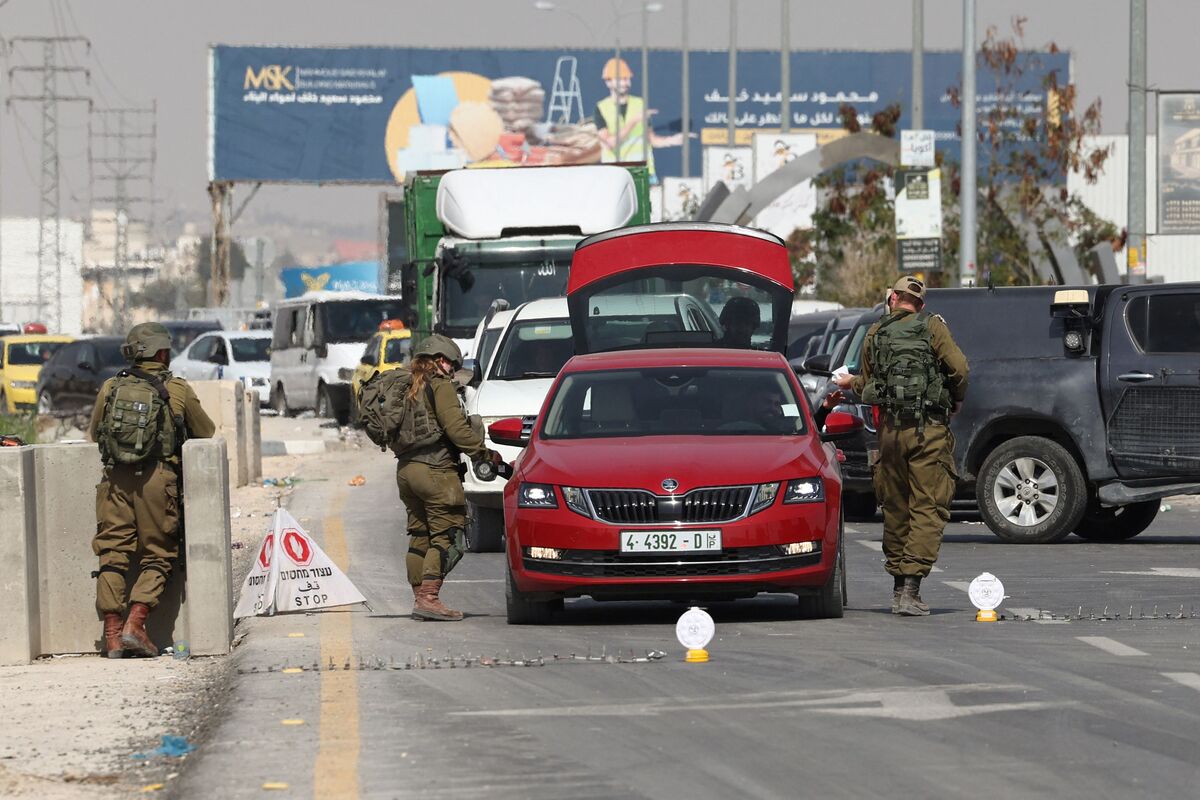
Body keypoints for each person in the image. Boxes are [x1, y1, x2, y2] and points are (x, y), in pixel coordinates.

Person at [834, 276, 968, 617]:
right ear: (919, 304)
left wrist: (850, 383)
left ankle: (897, 590)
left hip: (889, 431)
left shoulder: (876, 332)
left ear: (892, 298)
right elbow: (960, 369)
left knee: (895, 506)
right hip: (928, 432)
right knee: (928, 506)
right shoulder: (933, 327)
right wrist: (956, 399)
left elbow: (867, 383)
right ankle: (911, 589)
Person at [90, 322, 215, 658]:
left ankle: (113, 634)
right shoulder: (177, 388)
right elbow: (206, 431)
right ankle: (136, 622)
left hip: (115, 479)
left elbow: (93, 434)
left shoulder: (111, 387)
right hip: (158, 480)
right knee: (159, 554)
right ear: (162, 352)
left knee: (112, 554)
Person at [394, 334, 498, 621]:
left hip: (406, 471)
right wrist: (484, 454)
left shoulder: (403, 385)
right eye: (452, 365)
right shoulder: (439, 386)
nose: (453, 370)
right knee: (449, 535)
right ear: (440, 360)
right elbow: (456, 430)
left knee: (420, 536)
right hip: (436, 471)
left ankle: (420, 598)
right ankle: (429, 598)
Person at [594, 57, 683, 181]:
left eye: (628, 79)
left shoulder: (640, 104)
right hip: (615, 174)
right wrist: (633, 121)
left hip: (643, 172)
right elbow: (609, 144)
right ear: (608, 82)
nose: (626, 83)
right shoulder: (601, 108)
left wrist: (671, 140)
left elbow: (651, 139)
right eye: (622, 79)